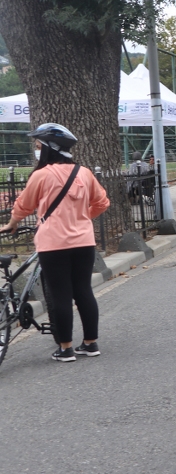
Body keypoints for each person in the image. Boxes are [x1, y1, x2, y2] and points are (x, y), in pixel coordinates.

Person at [0, 123, 110, 362]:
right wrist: (80, 218)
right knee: (83, 291)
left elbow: (24, 205)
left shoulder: (41, 175)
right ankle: (91, 344)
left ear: (49, 148)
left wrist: (13, 222)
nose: (37, 150)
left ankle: (66, 348)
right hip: (84, 241)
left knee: (61, 294)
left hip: (53, 243)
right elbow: (102, 203)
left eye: (38, 146)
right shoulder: (85, 173)